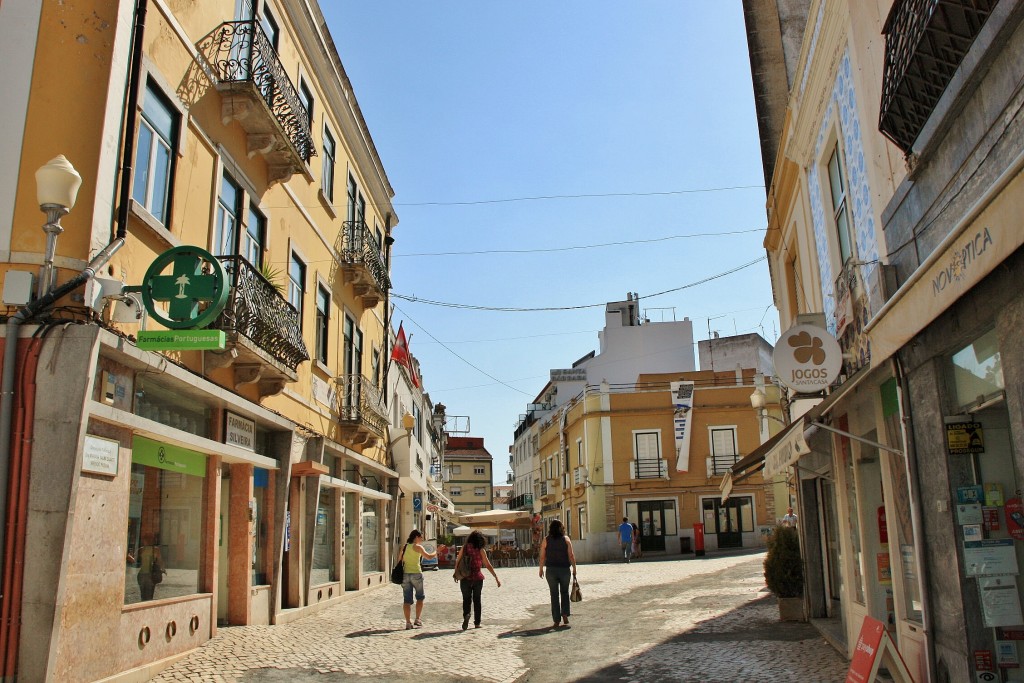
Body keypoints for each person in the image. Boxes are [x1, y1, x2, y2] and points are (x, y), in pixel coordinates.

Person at [454, 530, 501, 630]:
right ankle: (477, 623)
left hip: (465, 577)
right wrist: (495, 577)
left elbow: (458, 561)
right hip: (477, 577)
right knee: (477, 600)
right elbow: (487, 565)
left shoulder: (465, 547)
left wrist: (456, 574)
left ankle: (466, 615)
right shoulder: (481, 550)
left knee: (466, 599)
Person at [538, 519, 577, 629]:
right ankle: (564, 614)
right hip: (564, 570)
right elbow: (571, 555)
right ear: (561, 528)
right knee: (564, 592)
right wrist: (574, 568)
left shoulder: (546, 540)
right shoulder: (566, 539)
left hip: (551, 570)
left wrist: (541, 569)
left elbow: (542, 556)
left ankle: (556, 620)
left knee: (554, 595)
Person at [400, 529, 438, 629]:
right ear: (416, 537)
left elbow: (401, 559)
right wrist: (437, 551)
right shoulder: (418, 547)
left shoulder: (404, 547)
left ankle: (408, 623)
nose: (422, 539)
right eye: (421, 537)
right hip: (416, 573)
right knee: (420, 597)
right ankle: (417, 619)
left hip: (406, 574)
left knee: (406, 600)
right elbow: (429, 557)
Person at [131, 535, 164, 601]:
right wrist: (162, 569)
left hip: (147, 575)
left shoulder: (153, 550)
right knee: (147, 596)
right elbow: (161, 562)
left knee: (145, 596)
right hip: (146, 575)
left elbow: (133, 559)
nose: (146, 541)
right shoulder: (143, 549)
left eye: (146, 540)